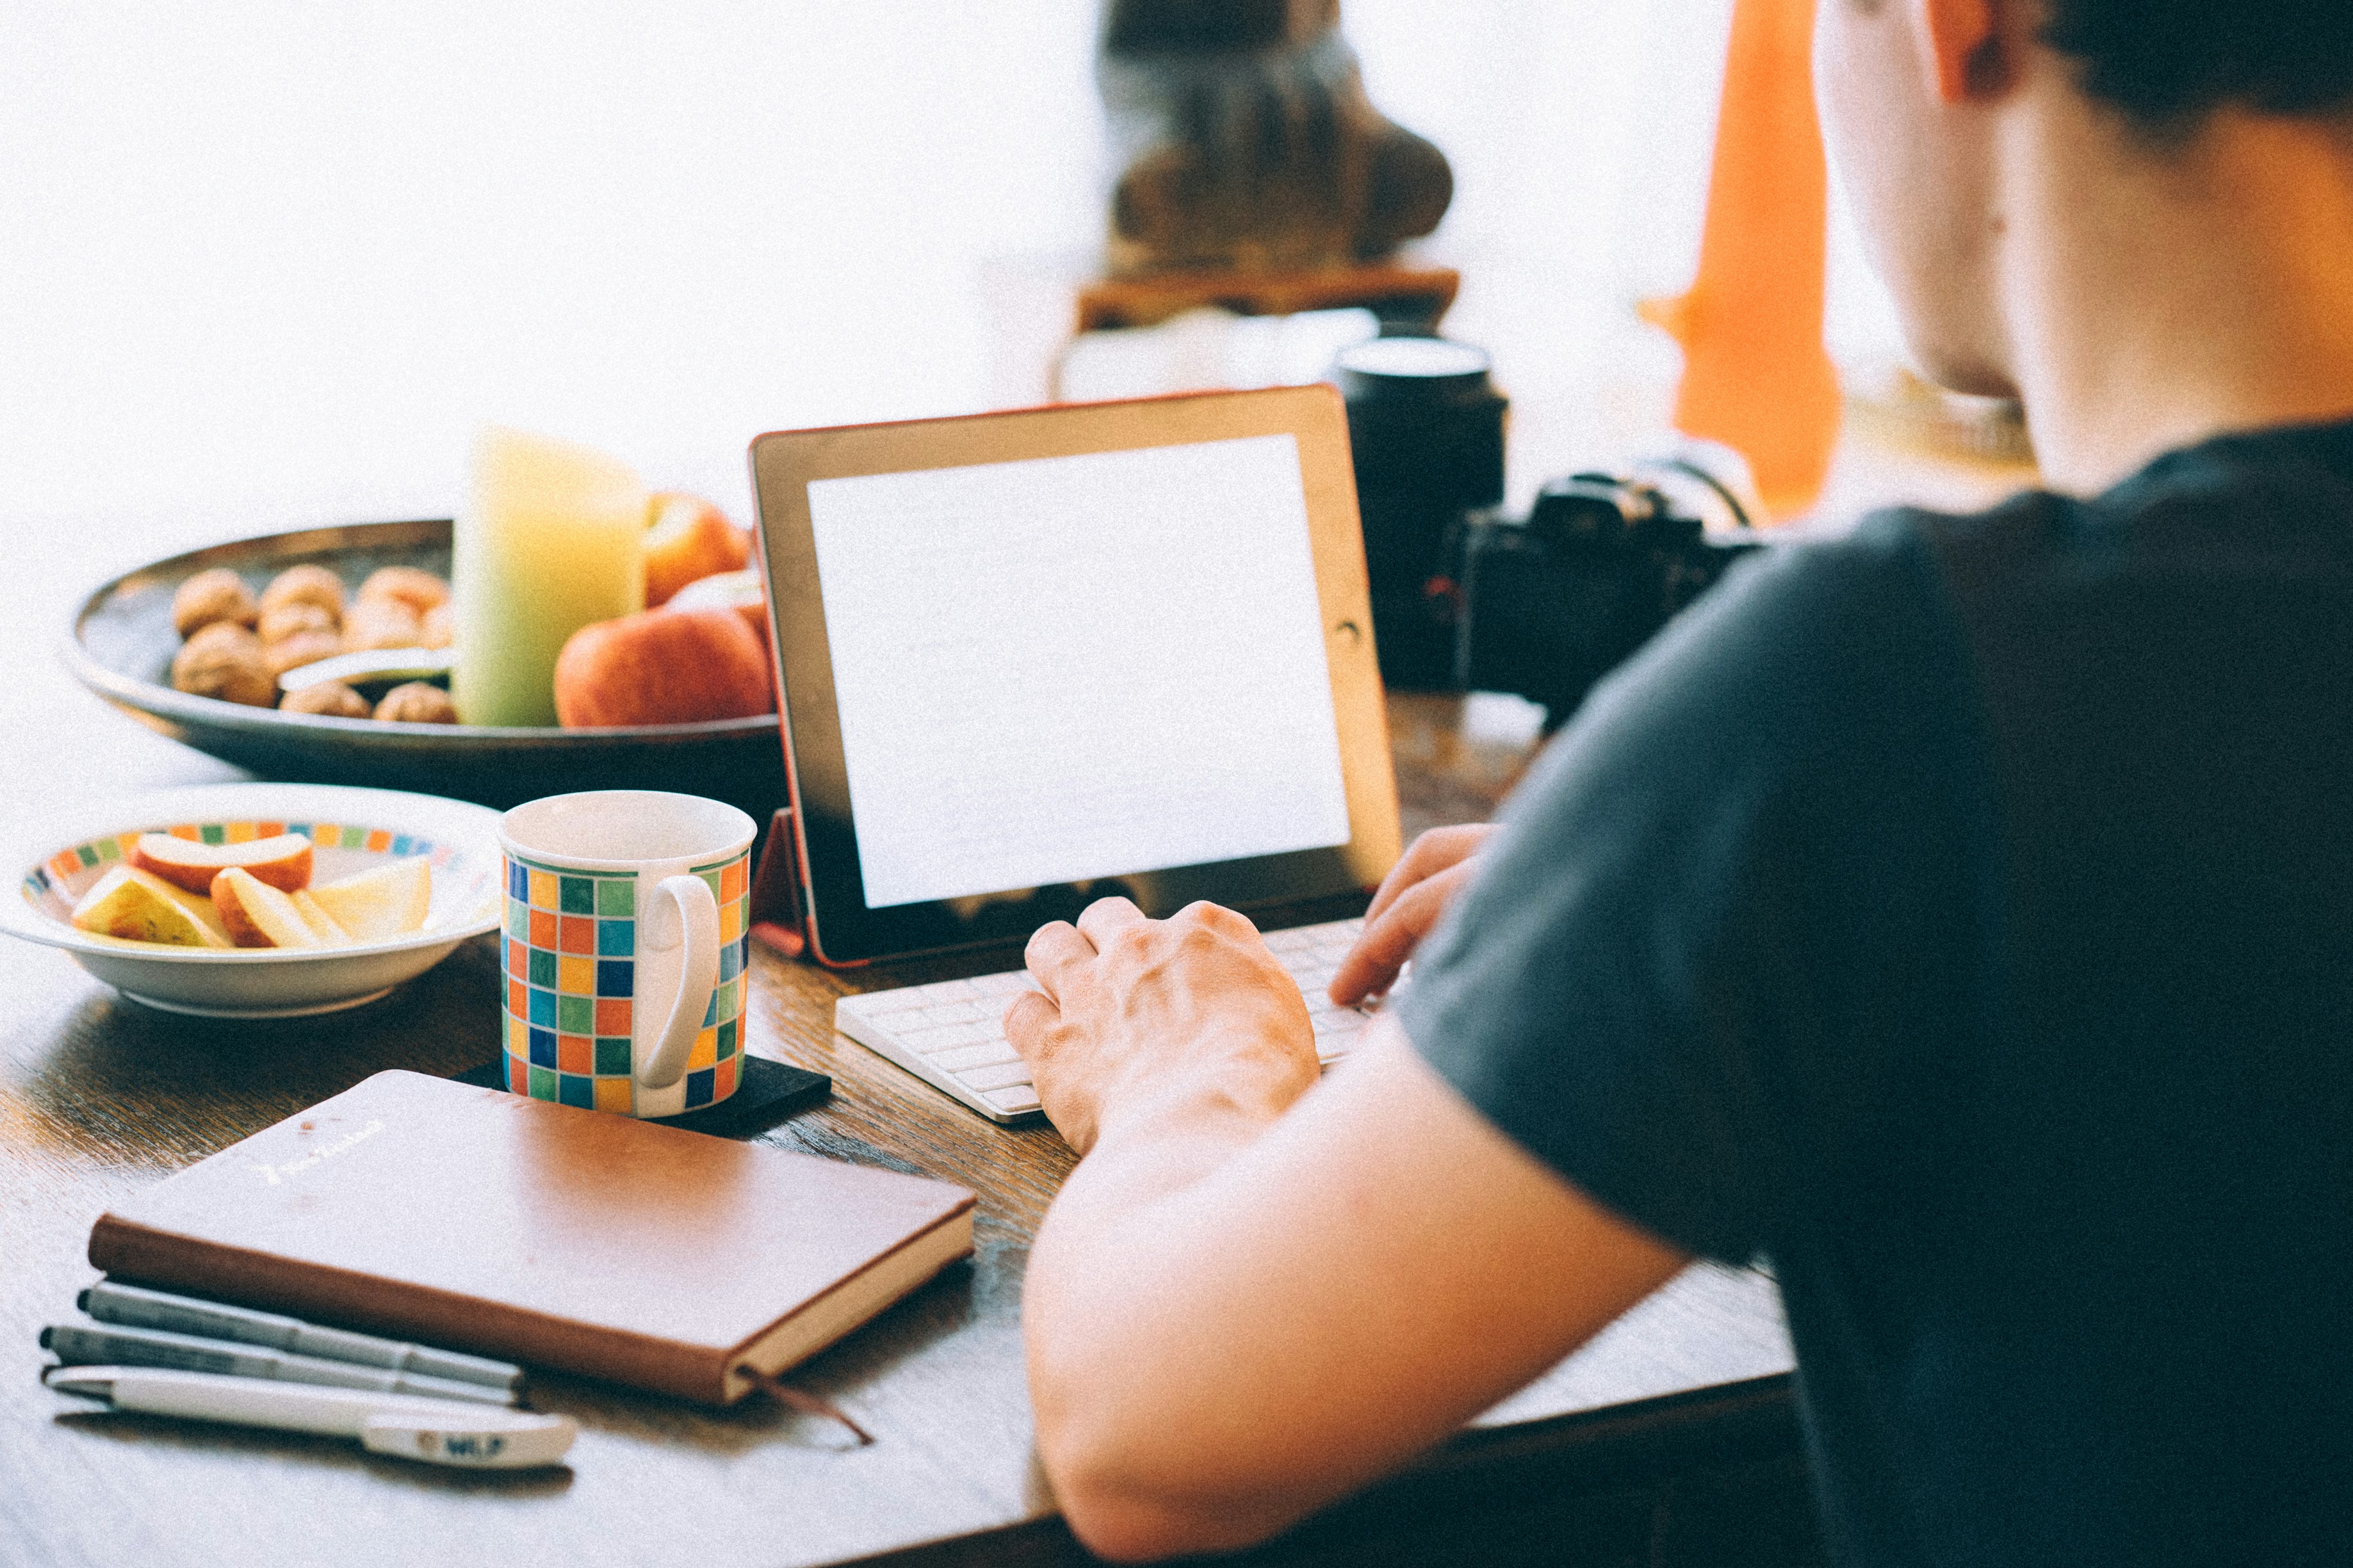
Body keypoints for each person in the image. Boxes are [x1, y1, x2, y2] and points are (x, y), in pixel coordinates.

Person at [1002, 0, 2353, 1563]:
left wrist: (1191, 1070)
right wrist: (1657, 885)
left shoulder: (1893, 696)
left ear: (1947, 24)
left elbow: (1144, 1434)